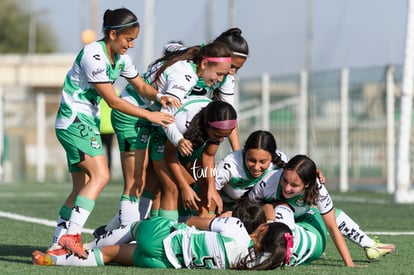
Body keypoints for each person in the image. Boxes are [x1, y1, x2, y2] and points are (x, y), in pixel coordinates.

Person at [47, 7, 179, 259]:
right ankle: (71, 236)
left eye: (134, 40)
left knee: (81, 186)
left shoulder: (120, 58)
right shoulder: (93, 55)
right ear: (112, 34)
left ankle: (56, 245)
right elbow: (113, 101)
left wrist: (160, 96)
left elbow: (140, 85)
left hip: (80, 121)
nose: (130, 45)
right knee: (101, 175)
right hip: (75, 120)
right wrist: (150, 115)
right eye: (128, 39)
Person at [95, 41, 233, 235]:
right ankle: (124, 234)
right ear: (203, 64)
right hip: (132, 115)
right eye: (219, 74)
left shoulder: (190, 69)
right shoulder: (183, 78)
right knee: (136, 180)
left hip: (146, 117)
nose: (220, 80)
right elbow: (168, 117)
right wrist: (179, 140)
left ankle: (112, 231)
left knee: (147, 183)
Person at [248, 154, 395, 263]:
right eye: (285, 180)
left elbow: (332, 228)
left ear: (307, 184)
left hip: (301, 219)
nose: (287, 187)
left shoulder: (318, 189)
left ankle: (370, 246)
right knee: (279, 207)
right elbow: (249, 209)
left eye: (294, 185)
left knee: (332, 215)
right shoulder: (268, 183)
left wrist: (349, 263)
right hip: (273, 221)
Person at [32, 215, 289, 270]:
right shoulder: (249, 264)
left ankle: (84, 246)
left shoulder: (237, 229)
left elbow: (196, 222)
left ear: (263, 228)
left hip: (163, 238)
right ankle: (51, 260)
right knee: (110, 255)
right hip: (164, 262)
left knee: (134, 227)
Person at [214, 130, 288, 211]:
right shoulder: (229, 165)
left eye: (263, 162)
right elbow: (212, 194)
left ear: (272, 157)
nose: (256, 167)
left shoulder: (281, 161)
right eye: (251, 160)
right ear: (244, 153)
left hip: (261, 209)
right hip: (227, 210)